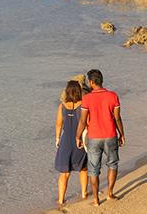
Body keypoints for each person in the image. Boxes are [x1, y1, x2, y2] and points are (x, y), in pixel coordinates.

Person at [75, 69, 124, 206]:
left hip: (94, 138)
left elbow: (83, 121)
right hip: (110, 135)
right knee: (112, 164)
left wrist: (78, 136)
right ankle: (109, 193)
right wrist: (122, 134)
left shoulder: (87, 98)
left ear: (91, 82)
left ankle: (96, 200)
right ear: (101, 80)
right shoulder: (113, 96)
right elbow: (117, 118)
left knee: (93, 169)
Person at [54, 80, 89, 207]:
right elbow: (87, 123)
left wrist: (57, 139)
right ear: (79, 91)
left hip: (66, 143)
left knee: (64, 173)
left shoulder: (62, 106)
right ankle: (84, 194)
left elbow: (59, 124)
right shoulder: (83, 105)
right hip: (79, 141)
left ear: (67, 91)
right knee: (83, 169)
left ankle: (61, 200)